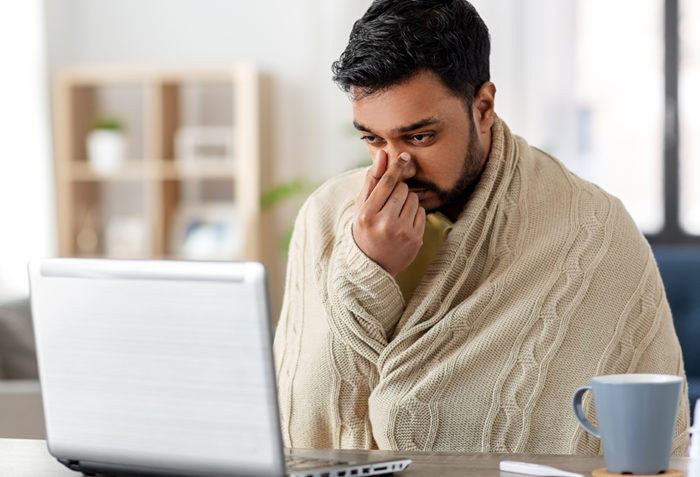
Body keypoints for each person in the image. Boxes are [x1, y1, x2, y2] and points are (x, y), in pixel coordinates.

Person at [273, 0, 689, 454]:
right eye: (373, 138)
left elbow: (648, 441)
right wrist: (366, 269)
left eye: (420, 137)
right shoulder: (326, 216)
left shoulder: (595, 229)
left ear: (484, 107)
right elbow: (301, 407)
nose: (395, 166)